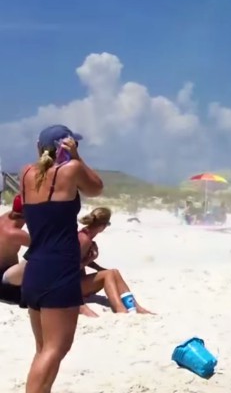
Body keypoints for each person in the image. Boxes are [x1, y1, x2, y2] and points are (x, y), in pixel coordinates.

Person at [20, 125, 104, 393]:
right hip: (60, 270)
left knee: (43, 349)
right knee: (56, 349)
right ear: (67, 146)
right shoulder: (70, 170)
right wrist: (77, 158)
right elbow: (96, 189)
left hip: (34, 268)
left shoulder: (25, 174)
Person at [77, 207, 153, 315]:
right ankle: (120, 309)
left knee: (114, 272)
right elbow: (69, 269)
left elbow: (79, 259)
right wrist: (91, 258)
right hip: (70, 287)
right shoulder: (84, 240)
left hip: (78, 283)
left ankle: (134, 306)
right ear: (103, 226)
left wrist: (99, 268)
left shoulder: (85, 236)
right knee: (108, 274)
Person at [0, 195, 30, 304]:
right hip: (4, 284)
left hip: (7, 274)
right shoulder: (13, 233)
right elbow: (43, 245)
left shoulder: (5, 217)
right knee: (39, 255)